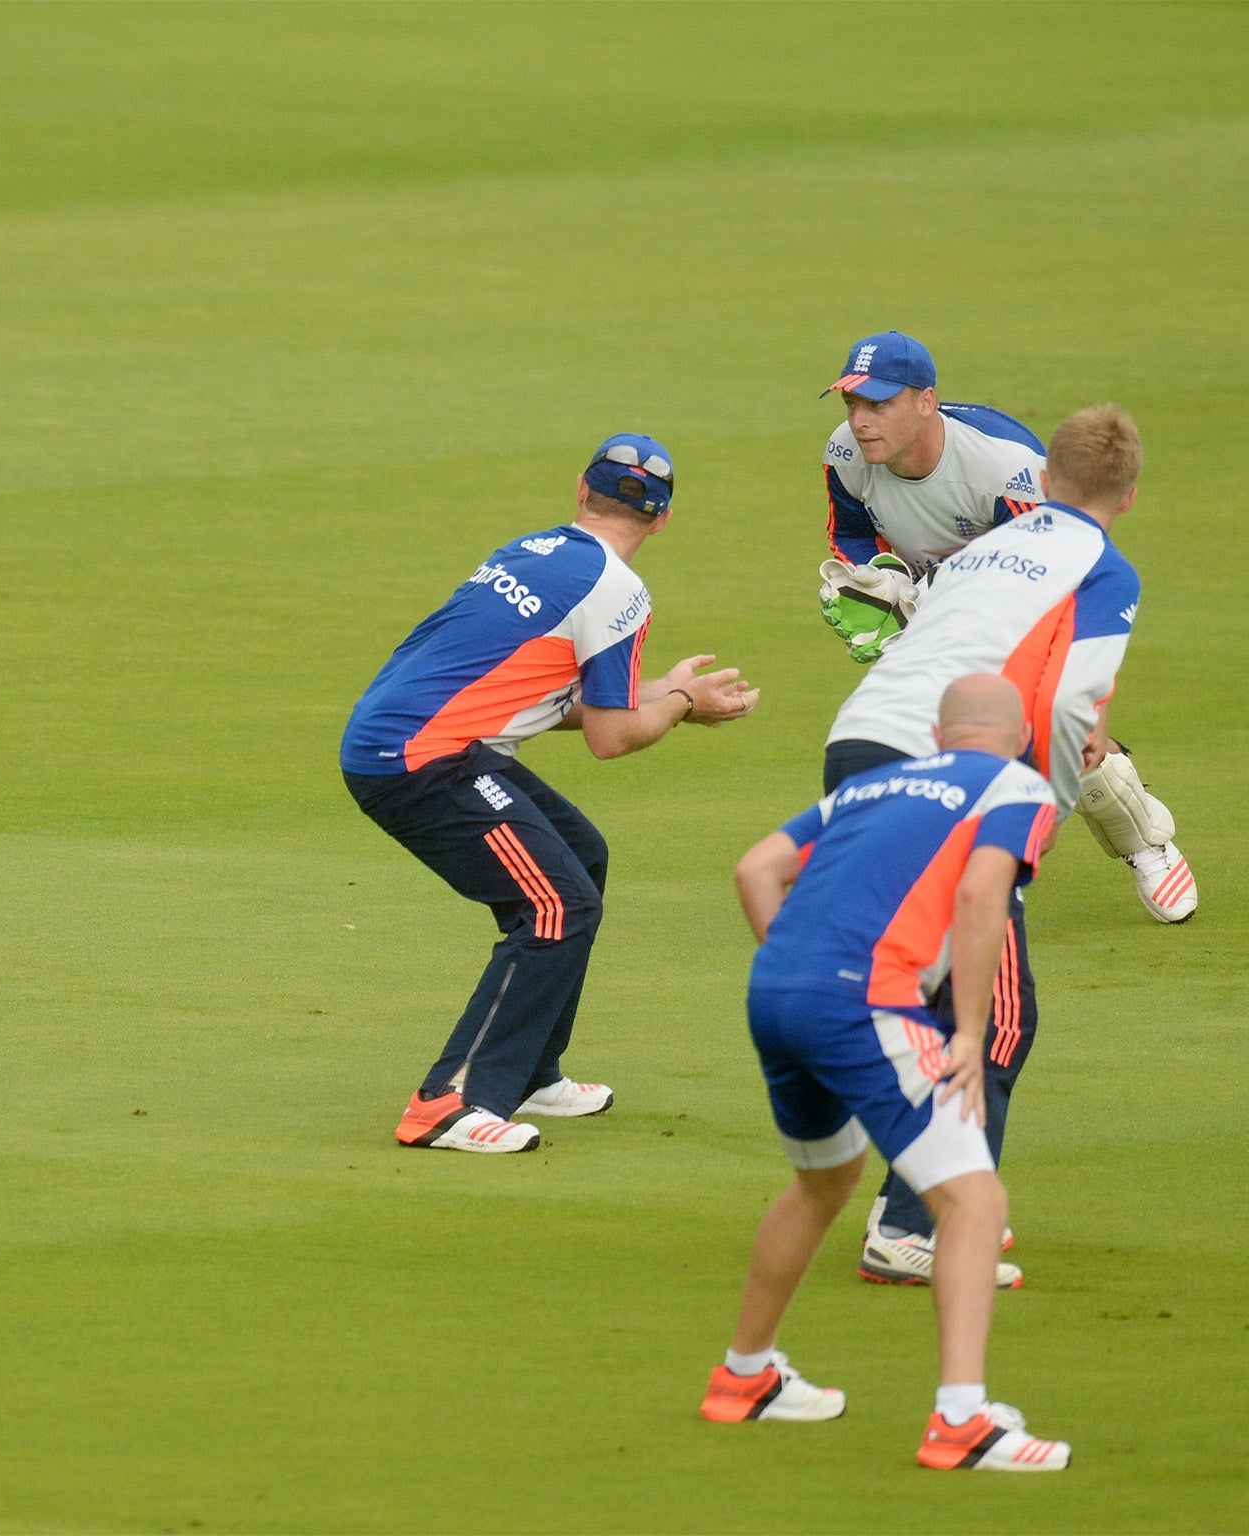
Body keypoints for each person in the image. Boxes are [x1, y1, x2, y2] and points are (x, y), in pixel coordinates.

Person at [341, 434, 758, 1153]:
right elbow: (612, 737)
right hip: (422, 761)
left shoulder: (531, 549)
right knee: (555, 903)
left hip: (414, 740)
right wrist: (684, 700)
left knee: (579, 856)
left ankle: (529, 1069)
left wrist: (663, 692)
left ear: (579, 491)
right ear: (661, 520)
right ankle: (448, 1102)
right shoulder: (621, 592)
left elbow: (546, 698)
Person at [703, 673, 1071, 1472]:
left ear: (939, 738)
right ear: (1019, 739)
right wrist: (970, 1031)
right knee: (974, 1200)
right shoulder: (1017, 785)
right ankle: (962, 1421)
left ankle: (744, 1376)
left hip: (777, 993)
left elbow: (755, 871)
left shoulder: (871, 785)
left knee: (822, 1183)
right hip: (866, 1003)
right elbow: (982, 897)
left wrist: (798, 974)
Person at [822, 403, 1145, 1284]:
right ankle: (915, 1226)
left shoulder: (978, 552)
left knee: (929, 991)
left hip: (856, 745)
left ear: (1044, 480)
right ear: (1131, 493)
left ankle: (935, 1193)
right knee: (997, 1013)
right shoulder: (1102, 570)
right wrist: (1030, 824)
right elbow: (1071, 708)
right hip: (946, 778)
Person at [818, 329, 1194, 926]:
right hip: (940, 605)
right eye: (852, 404)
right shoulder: (846, 454)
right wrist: (877, 582)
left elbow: (1055, 564)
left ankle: (1145, 839)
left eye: (879, 404)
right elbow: (853, 530)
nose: (861, 421)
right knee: (929, 728)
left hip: (1023, 605)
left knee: (1051, 732)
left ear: (925, 401)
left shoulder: (1005, 466)